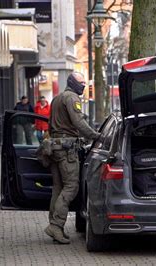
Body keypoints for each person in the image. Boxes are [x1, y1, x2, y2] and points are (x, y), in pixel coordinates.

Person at [44, 72, 100, 244]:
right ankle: (56, 225)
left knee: (58, 188)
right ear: (73, 83)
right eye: (81, 82)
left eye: (84, 82)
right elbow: (78, 122)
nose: (83, 85)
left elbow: (52, 125)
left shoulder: (57, 98)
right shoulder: (72, 98)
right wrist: (96, 136)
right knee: (71, 187)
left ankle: (55, 227)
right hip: (67, 150)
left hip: (54, 148)